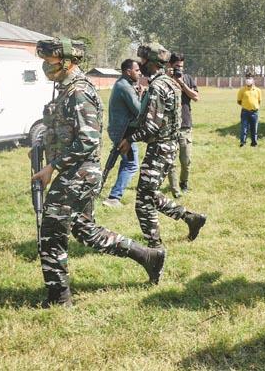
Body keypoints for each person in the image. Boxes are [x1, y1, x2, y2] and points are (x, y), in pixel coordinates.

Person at [31, 38, 165, 308]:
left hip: (78, 174)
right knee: (85, 230)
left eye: (50, 61)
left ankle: (59, 298)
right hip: (75, 171)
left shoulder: (79, 91)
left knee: (51, 234)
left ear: (68, 61)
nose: (46, 66)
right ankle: (148, 256)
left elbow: (88, 140)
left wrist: (51, 167)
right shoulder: (65, 89)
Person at [120, 42, 207, 249]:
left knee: (143, 202)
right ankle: (191, 218)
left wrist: (129, 140)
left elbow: (152, 126)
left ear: (150, 63)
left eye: (142, 61)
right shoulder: (169, 83)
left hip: (160, 148)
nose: (139, 64)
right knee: (150, 194)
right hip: (168, 147)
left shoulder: (159, 87)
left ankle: (155, 248)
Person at [102, 58, 143, 207]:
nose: (139, 73)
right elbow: (139, 111)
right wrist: (142, 97)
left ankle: (112, 194)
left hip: (119, 130)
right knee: (131, 164)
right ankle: (114, 198)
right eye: (137, 70)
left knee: (126, 163)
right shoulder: (125, 87)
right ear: (128, 71)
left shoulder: (123, 84)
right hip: (123, 132)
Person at [165, 53, 199, 198]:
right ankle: (175, 191)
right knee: (170, 162)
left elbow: (196, 97)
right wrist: (168, 78)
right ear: (170, 66)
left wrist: (182, 84)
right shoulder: (165, 80)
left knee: (186, 160)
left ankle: (183, 183)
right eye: (177, 66)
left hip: (185, 125)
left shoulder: (188, 79)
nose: (179, 69)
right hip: (169, 126)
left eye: (181, 67)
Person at [237, 73, 262, 147]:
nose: (248, 80)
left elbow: (259, 101)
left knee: (254, 129)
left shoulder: (258, 90)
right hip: (245, 112)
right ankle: (242, 143)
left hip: (254, 112)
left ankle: (254, 143)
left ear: (253, 80)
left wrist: (253, 106)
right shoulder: (242, 90)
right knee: (244, 128)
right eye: (247, 78)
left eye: (250, 78)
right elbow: (239, 101)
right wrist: (246, 105)